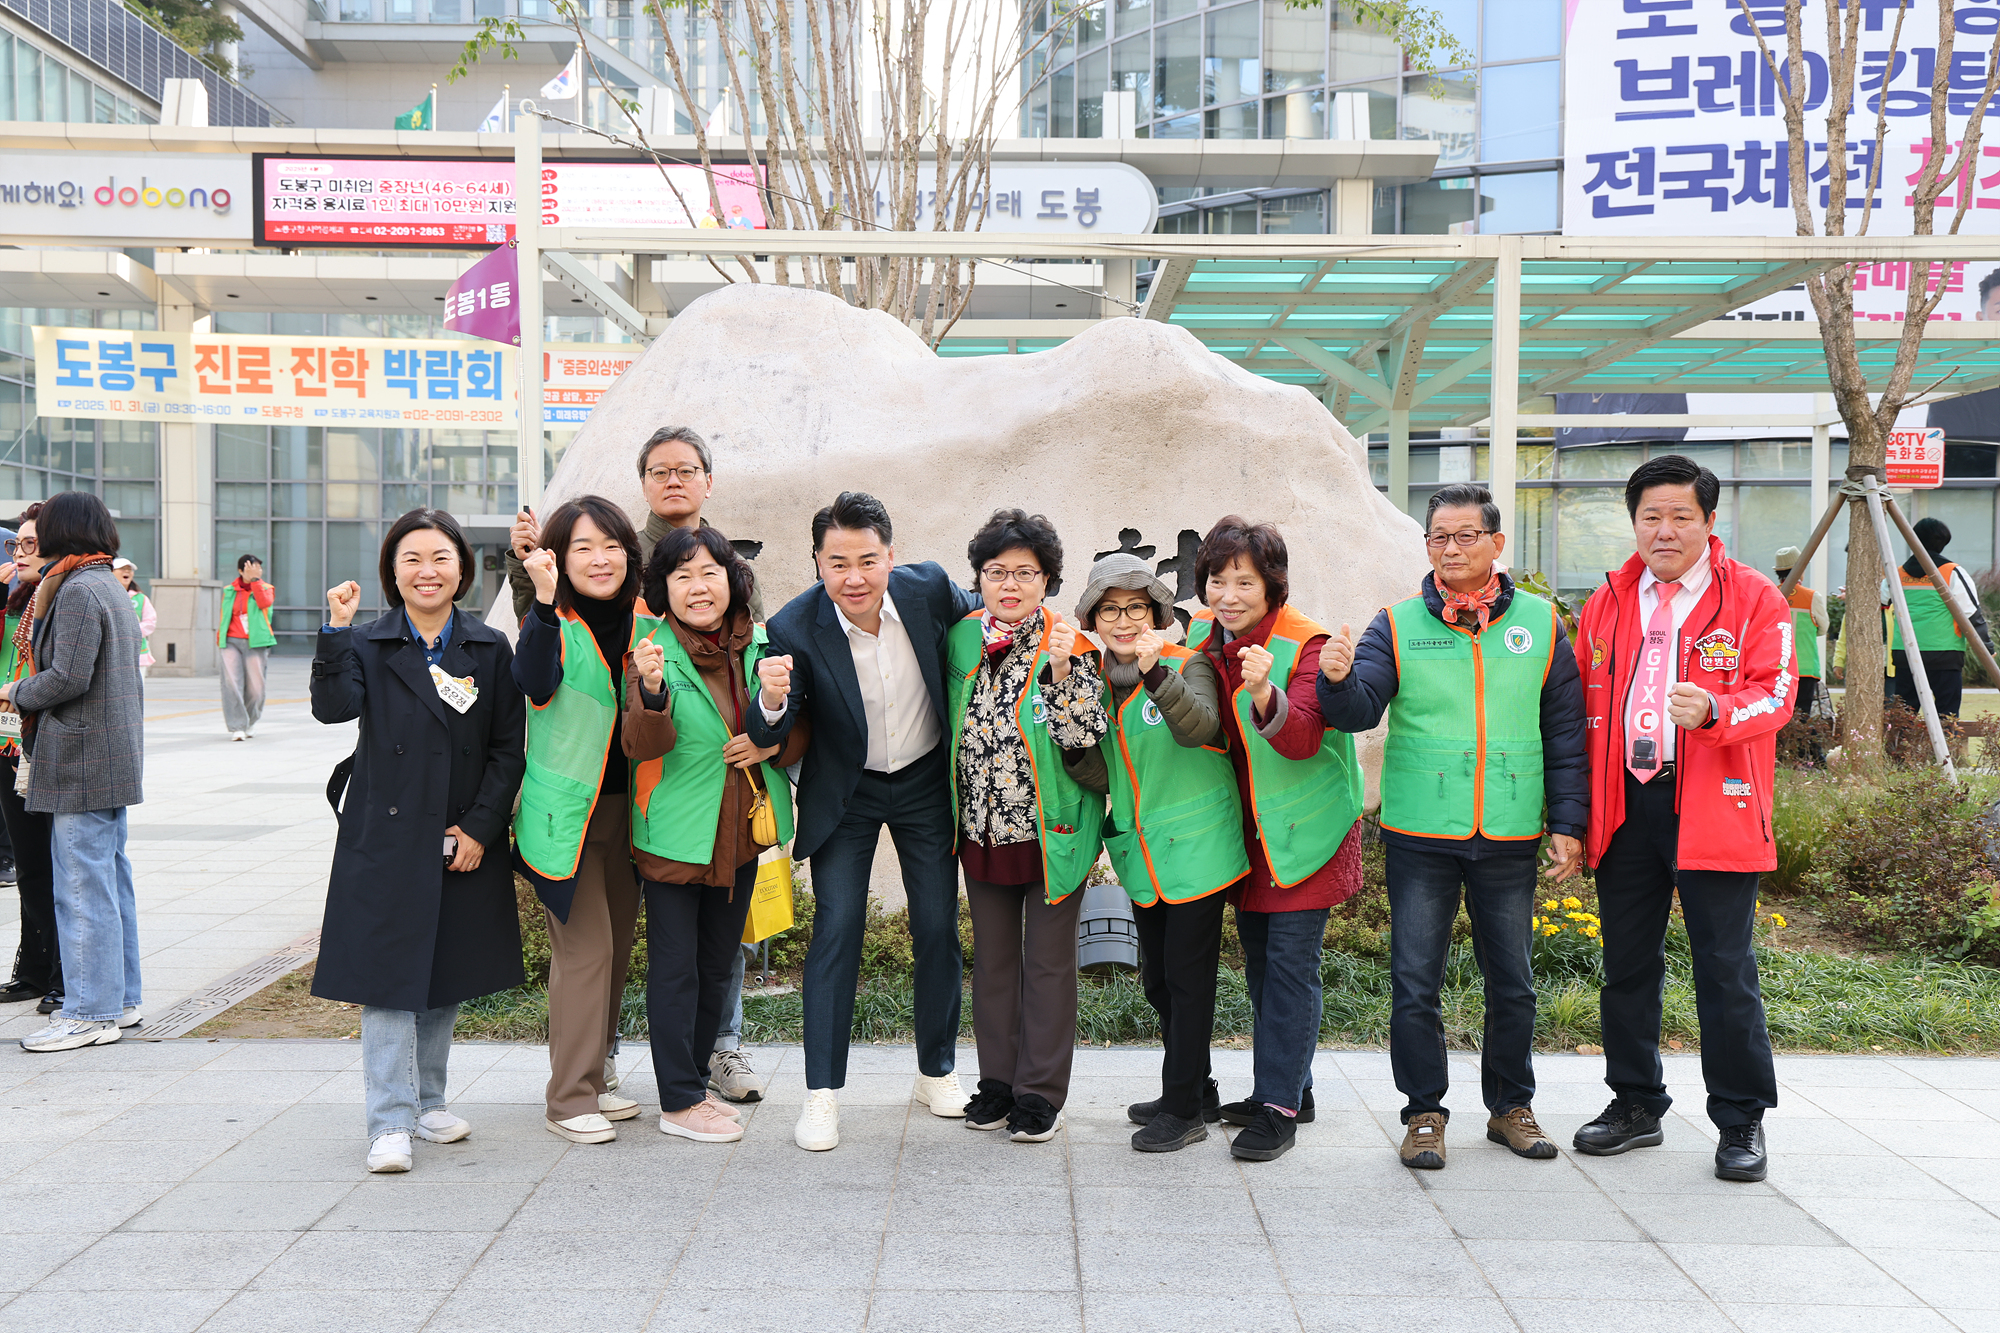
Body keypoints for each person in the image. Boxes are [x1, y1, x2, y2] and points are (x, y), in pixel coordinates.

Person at [1317, 483, 1588, 1171]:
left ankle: (1510, 1106)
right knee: (1415, 982)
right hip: (1421, 832)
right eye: (1440, 536)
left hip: (1509, 829)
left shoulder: (1542, 624)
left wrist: (1568, 821)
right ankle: (1423, 1112)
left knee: (1513, 981)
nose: (1452, 548)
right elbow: (1358, 709)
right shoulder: (1396, 623)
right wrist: (1337, 682)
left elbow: (1564, 731)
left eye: (1467, 535)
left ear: (1496, 543)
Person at [508, 425, 767, 1104]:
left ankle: (703, 1051)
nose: (674, 480)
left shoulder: (675, 598)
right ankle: (583, 1081)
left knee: (676, 944)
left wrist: (769, 733)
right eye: (659, 470)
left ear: (708, 479)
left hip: (671, 802)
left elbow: (746, 666)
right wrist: (532, 577)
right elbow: (536, 670)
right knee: (599, 950)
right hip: (586, 808)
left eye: (687, 469)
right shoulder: (584, 607)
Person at [1572, 454, 1794, 1184]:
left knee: (1724, 970)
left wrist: (1716, 711)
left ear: (1709, 521)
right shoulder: (1608, 600)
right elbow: (1578, 703)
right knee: (1626, 965)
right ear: (1634, 521)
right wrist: (1573, 811)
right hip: (1626, 802)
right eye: (1650, 516)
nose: (1664, 530)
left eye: (1680, 516)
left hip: (1712, 800)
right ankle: (1636, 1102)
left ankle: (1741, 1119)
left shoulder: (1754, 597)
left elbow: (1778, 694)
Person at [744, 492, 981, 1152]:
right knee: (838, 926)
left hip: (925, 781)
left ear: (891, 556)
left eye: (867, 561)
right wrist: (770, 698)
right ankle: (821, 1093)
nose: (854, 577)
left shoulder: (929, 589)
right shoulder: (794, 627)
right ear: (818, 562)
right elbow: (770, 726)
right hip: (846, 791)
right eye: (838, 563)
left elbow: (990, 615)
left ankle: (936, 1070)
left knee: (936, 923)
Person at [310, 509, 527, 1174]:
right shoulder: (367, 642)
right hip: (385, 836)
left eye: (439, 558)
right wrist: (335, 631)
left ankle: (429, 1101)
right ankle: (389, 1120)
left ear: (462, 569)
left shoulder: (489, 648)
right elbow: (333, 708)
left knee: (444, 972)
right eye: (412, 559)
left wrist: (481, 827)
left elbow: (507, 748)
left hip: (459, 834)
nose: (426, 571)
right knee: (386, 981)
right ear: (393, 571)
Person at [1187, 516, 1363, 1163]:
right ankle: (1294, 1089)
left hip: (1305, 830)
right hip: (1249, 832)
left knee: (1289, 968)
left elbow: (1304, 737)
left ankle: (1278, 1108)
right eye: (1217, 580)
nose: (1228, 595)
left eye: (1244, 581)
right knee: (1262, 963)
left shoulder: (1304, 643)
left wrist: (1263, 690)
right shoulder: (1205, 639)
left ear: (1272, 585)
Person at [626, 527, 810, 1144]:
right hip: (674, 834)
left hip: (741, 834)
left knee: (715, 964)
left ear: (733, 580)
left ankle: (694, 1086)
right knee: (675, 968)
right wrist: (651, 691)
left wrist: (769, 733)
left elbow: (799, 733)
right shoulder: (649, 650)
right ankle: (677, 1100)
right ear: (665, 589)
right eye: (682, 576)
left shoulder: (763, 646)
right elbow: (640, 744)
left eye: (709, 572)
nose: (697, 587)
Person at [1062, 553, 1246, 1154]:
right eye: (1109, 610)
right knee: (1161, 982)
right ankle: (1198, 1089)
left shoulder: (1186, 664)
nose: (1123, 621)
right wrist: (1072, 741)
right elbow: (1104, 774)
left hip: (1198, 851)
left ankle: (1183, 1109)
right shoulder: (1094, 684)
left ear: (1158, 614)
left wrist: (1154, 675)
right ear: (1093, 619)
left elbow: (1200, 728)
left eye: (1136, 608)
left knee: (1188, 984)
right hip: (1143, 855)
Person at [945, 511, 1107, 1144]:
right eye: (996, 572)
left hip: (1050, 833)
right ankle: (997, 1082)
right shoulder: (961, 640)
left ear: (1047, 581)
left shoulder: (1071, 645)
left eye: (1024, 573)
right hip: (981, 829)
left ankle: (1040, 1093)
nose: (1009, 585)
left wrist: (1063, 675)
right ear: (979, 578)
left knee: (1046, 965)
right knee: (992, 964)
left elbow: (1083, 739)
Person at [512, 496, 649, 1145]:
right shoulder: (551, 620)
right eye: (583, 547)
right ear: (559, 558)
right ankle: (567, 1099)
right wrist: (542, 600)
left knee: (613, 950)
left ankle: (590, 1080)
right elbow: (534, 681)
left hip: (631, 814)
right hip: (565, 818)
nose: (600, 559)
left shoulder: (647, 620)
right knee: (586, 951)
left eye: (612, 545)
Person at [6, 492, 145, 1053]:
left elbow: (67, 677)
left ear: (64, 530)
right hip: (104, 754)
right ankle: (121, 999)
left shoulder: (80, 589)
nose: (31, 541)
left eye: (41, 530)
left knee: (82, 889)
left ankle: (90, 1013)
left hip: (83, 757)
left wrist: (15, 691)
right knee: (108, 881)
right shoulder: (103, 581)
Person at [0, 508, 57, 1012]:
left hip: (42, 741)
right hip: (8, 742)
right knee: (30, 863)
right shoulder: (14, 597)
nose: (18, 554)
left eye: (28, 545)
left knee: (54, 862)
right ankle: (33, 969)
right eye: (13, 545)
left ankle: (60, 972)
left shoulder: (62, 596)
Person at [1884, 517, 1984, 719]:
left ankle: (1900, 742)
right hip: (1945, 653)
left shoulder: (1896, 574)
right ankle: (1946, 741)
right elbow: (1971, 612)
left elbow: (1880, 601)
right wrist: (1986, 645)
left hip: (1905, 653)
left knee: (1904, 717)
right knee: (1947, 715)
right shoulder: (1952, 572)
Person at [220, 552, 275, 741]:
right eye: (251, 567)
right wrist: (220, 637)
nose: (256, 570)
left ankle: (250, 722)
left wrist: (255, 581)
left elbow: (264, 603)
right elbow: (225, 614)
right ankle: (237, 725)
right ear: (240, 570)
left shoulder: (266, 588)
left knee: (256, 686)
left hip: (256, 641)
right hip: (231, 640)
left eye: (258, 567)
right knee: (231, 683)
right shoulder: (229, 590)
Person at [1773, 545, 1828, 719]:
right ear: (1800, 570)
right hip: (1805, 668)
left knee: (1777, 714)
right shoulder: (1811, 597)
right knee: (1801, 716)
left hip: (1776, 667)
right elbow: (1823, 628)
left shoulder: (1770, 594)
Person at [112, 559, 156, 676]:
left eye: (129, 569)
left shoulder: (141, 598)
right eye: (122, 569)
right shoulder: (106, 595)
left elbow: (150, 622)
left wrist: (130, 632)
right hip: (112, 653)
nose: (126, 572)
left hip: (138, 654)